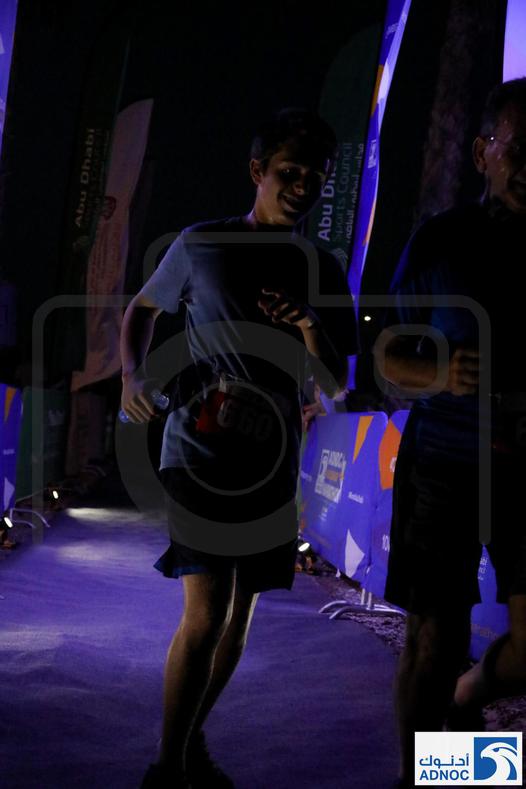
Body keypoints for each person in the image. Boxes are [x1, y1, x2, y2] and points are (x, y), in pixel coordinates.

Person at [120, 108, 356, 789]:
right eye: (289, 172)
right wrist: (132, 374)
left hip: (273, 459)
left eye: (315, 178)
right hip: (198, 447)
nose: (302, 187)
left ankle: (187, 741)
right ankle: (167, 766)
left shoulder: (322, 267)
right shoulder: (202, 243)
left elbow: (337, 382)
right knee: (207, 612)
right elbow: (142, 309)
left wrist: (308, 324)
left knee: (237, 621)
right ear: (257, 171)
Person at [374, 78, 526, 788]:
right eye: (519, 150)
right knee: (436, 641)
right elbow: (386, 355)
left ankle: (468, 699)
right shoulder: (441, 240)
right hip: (444, 463)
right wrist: (441, 373)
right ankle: (432, 777)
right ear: (481, 152)